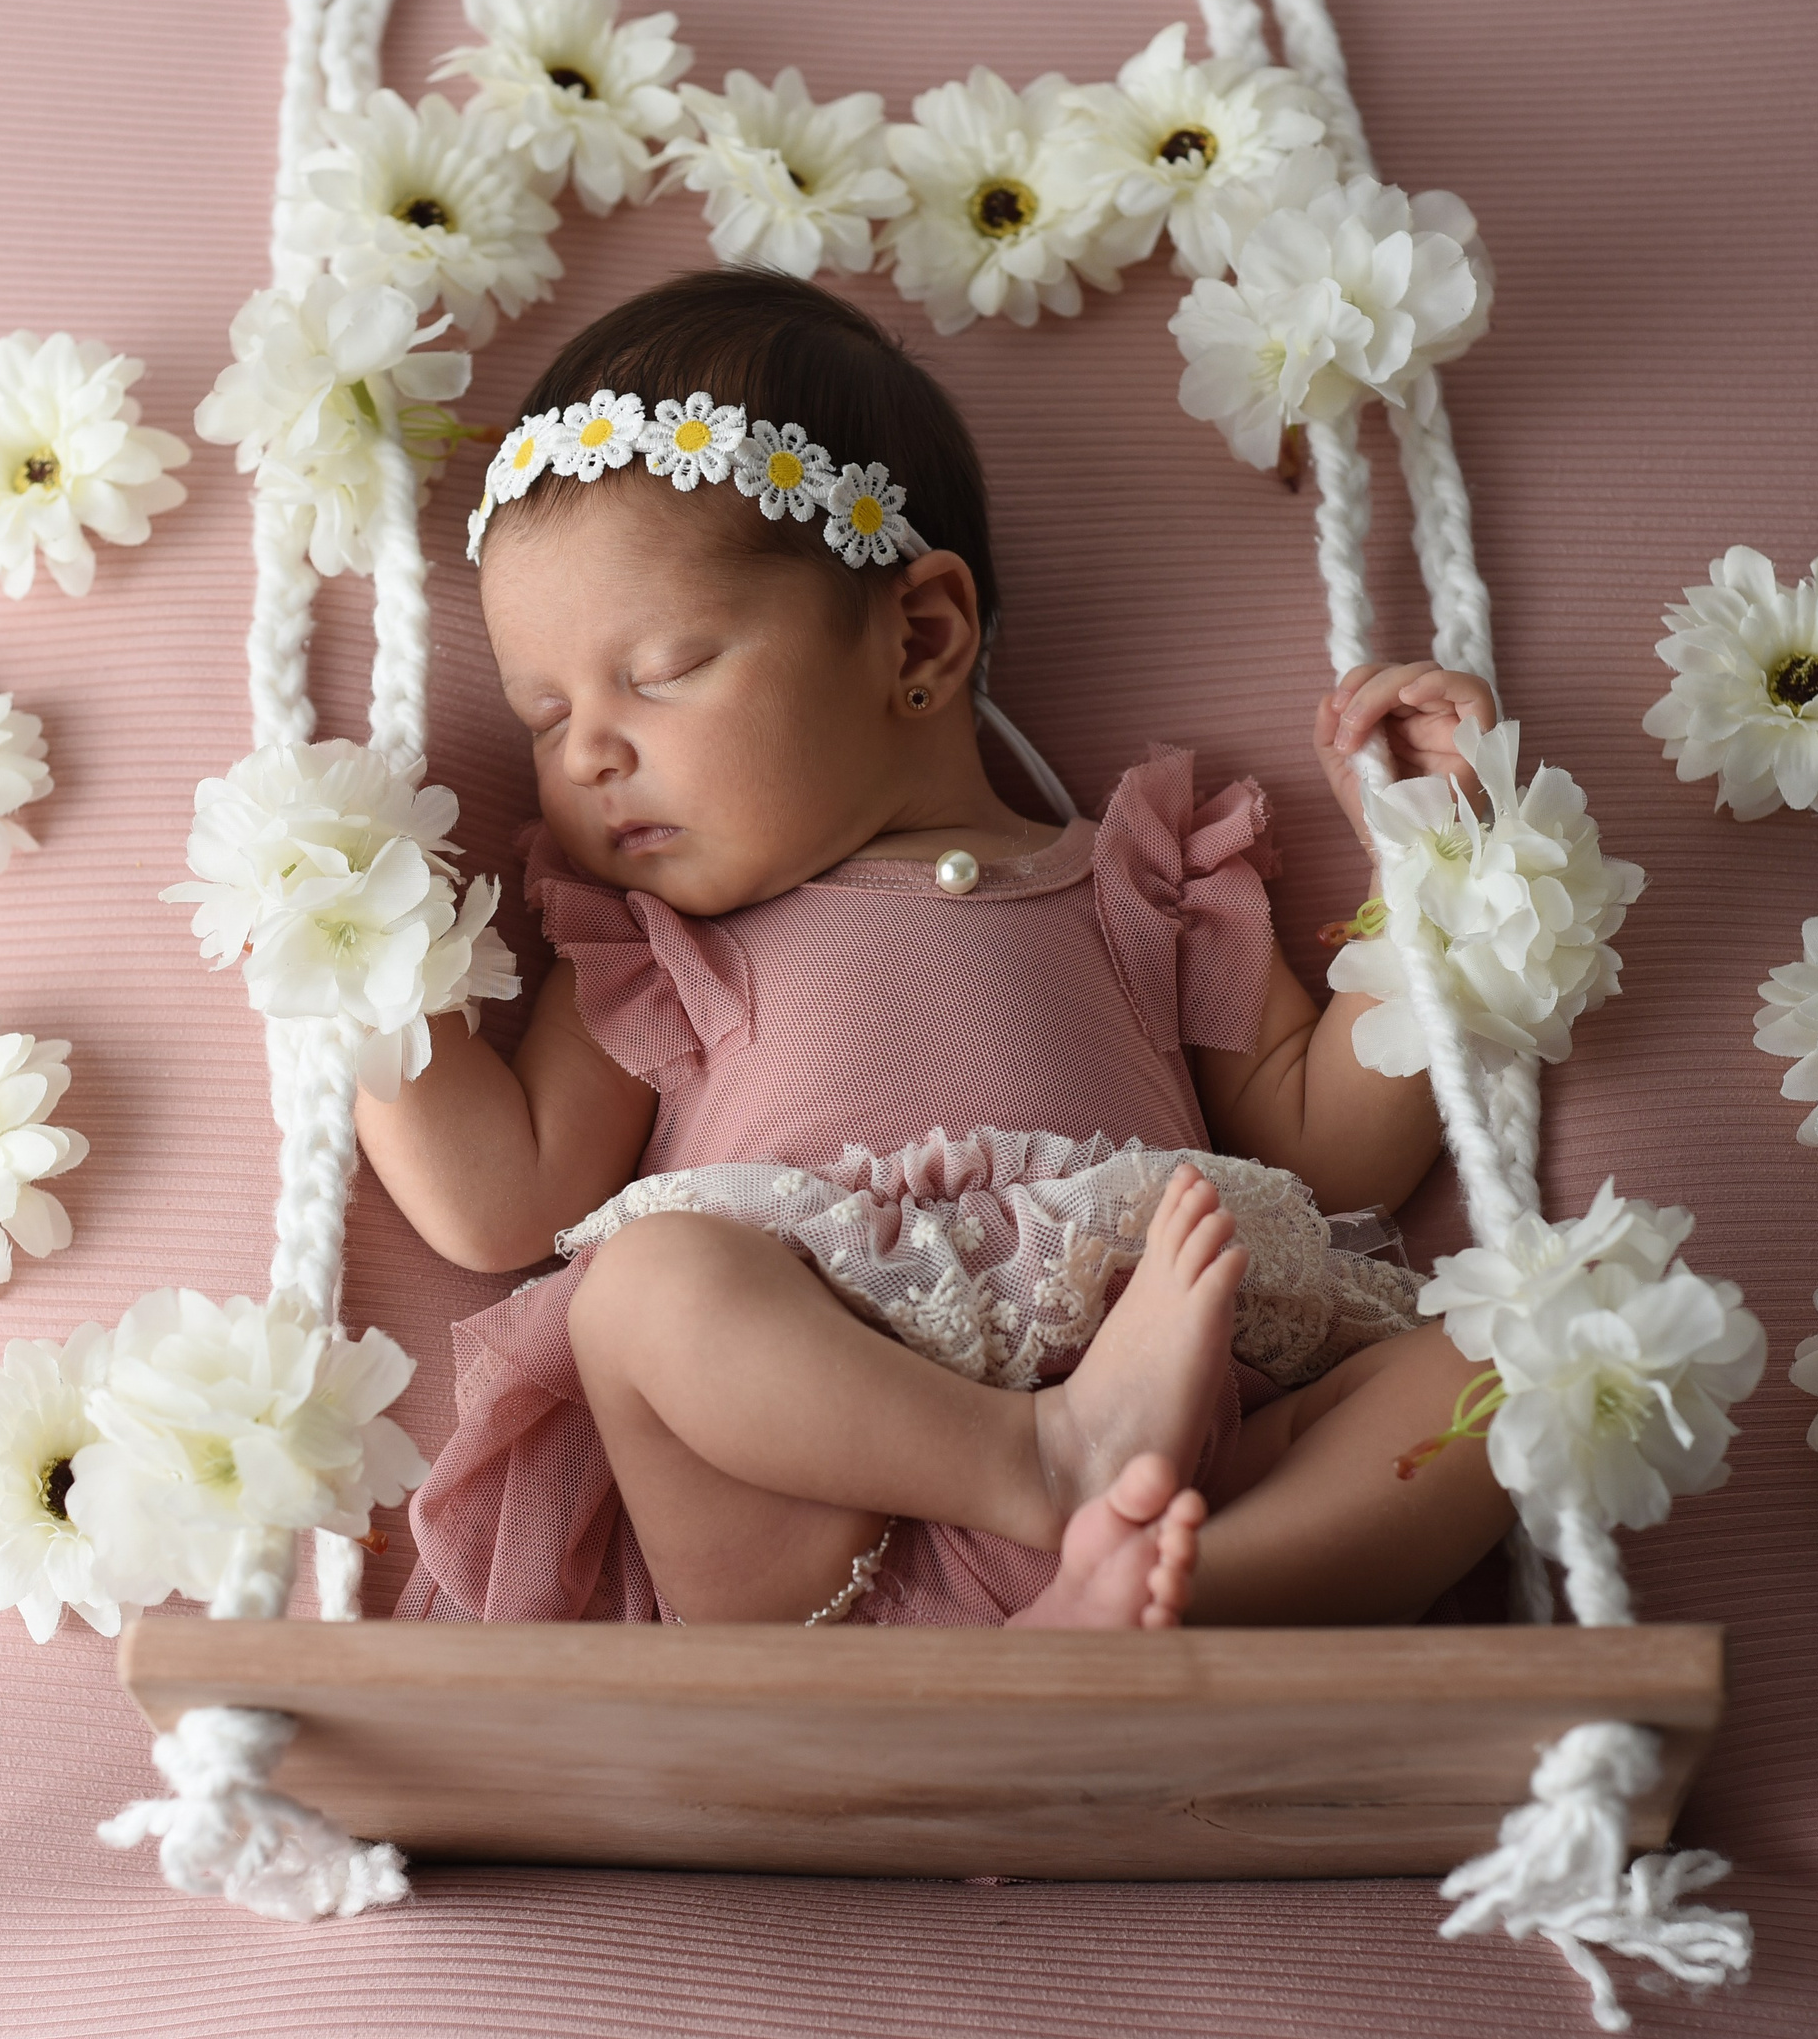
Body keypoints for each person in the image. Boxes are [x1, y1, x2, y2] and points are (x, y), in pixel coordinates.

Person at [364, 268, 1513, 1633]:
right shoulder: (650, 945)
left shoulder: (1141, 881)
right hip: (806, 1540)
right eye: (545, 718)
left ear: (920, 636)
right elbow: (500, 1201)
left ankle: (1155, 1612)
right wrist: (358, 962)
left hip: (1177, 1486)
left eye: (660, 671)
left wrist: (1428, 864)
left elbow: (1339, 1150)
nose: (592, 750)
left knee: (1509, 1366)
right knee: (646, 1290)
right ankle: (1035, 1465)